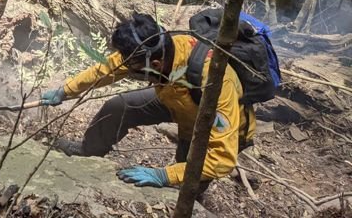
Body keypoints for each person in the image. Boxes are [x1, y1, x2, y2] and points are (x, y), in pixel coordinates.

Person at [41, 12, 255, 192]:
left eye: (134, 68)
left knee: (187, 173)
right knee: (118, 107)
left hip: (212, 123)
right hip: (175, 98)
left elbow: (222, 159)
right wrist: (66, 90)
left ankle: (188, 202)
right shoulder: (154, 47)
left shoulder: (217, 82)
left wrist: (164, 175)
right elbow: (109, 68)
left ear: (155, 64)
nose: (129, 70)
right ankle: (89, 150)